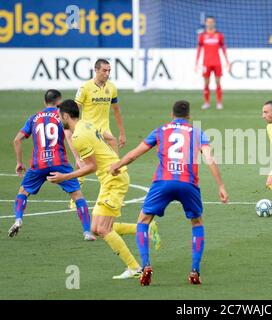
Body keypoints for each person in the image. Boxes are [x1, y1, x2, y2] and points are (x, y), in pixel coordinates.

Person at [110, 100, 228, 286]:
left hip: (163, 182)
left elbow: (134, 154)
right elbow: (209, 158)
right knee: (196, 222)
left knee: (143, 221)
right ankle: (195, 270)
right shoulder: (197, 133)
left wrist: (117, 165)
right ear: (189, 116)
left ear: (171, 115)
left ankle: (146, 265)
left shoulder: (160, 130)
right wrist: (220, 185)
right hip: (188, 184)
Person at [48, 99, 160, 280]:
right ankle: (145, 228)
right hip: (110, 179)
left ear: (66, 116)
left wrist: (64, 177)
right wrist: (113, 160)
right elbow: (110, 138)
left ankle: (134, 267)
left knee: (102, 229)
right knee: (94, 228)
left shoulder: (78, 137)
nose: (59, 119)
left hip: (113, 181)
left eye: (60, 116)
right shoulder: (86, 124)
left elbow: (91, 167)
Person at [8, 90, 95, 241]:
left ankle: (18, 219)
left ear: (44, 102)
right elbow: (69, 136)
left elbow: (17, 140)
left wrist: (19, 162)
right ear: (59, 102)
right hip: (59, 162)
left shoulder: (34, 117)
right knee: (77, 195)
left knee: (23, 191)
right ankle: (87, 232)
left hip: (39, 164)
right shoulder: (61, 116)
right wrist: (77, 158)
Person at [66, 58, 126, 209]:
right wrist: (75, 128)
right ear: (96, 70)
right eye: (104, 71)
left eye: (109, 71)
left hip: (105, 130)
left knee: (113, 162)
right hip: (88, 130)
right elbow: (75, 110)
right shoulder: (85, 88)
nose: (107, 73)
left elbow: (116, 110)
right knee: (85, 164)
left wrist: (122, 132)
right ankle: (75, 196)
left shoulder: (111, 88)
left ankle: (113, 194)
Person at [195, 16, 230, 110]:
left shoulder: (219, 35)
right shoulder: (202, 35)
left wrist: (227, 61)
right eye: (208, 22)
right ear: (205, 23)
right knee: (206, 83)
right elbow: (199, 49)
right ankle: (207, 102)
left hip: (217, 63)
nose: (210, 23)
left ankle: (219, 102)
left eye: (211, 22)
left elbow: (223, 48)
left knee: (218, 83)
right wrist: (196, 63)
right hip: (206, 63)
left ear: (214, 23)